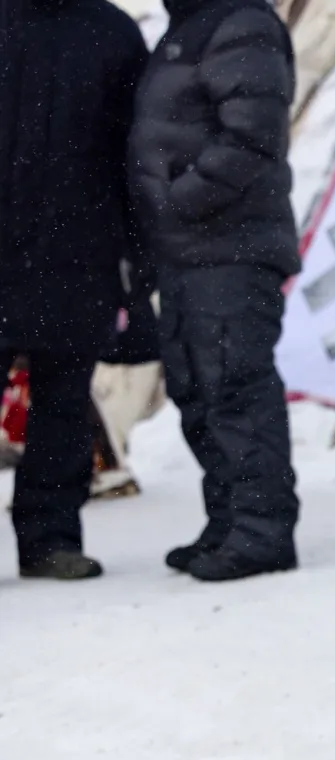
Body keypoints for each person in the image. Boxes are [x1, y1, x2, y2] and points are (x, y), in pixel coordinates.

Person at [128, 0, 302, 581]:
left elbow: (253, 138)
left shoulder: (241, 22)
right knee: (198, 388)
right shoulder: (192, 24)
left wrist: (180, 201)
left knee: (235, 385)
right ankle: (230, 521)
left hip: (231, 246)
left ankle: (262, 532)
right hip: (190, 250)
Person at [0, 0, 149, 580]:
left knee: (63, 407)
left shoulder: (110, 31)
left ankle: (50, 539)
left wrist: (137, 258)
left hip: (79, 249)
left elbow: (134, 151)